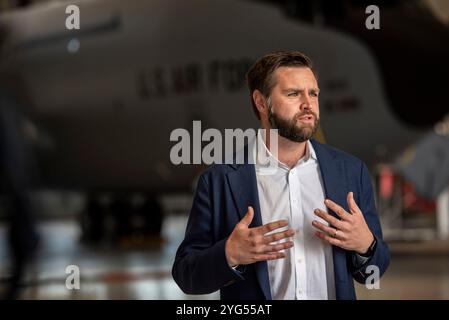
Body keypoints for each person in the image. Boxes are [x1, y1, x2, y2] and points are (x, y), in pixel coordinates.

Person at [172, 51, 390, 300]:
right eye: (293, 94)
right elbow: (186, 275)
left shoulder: (351, 171)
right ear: (262, 103)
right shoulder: (219, 179)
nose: (308, 103)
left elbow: (374, 272)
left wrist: (366, 245)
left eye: (313, 93)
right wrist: (229, 254)